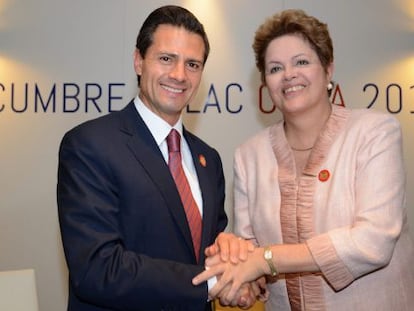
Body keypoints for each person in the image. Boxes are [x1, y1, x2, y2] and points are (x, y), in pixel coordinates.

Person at [193, 8, 414, 310]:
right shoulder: (249, 155)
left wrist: (266, 260)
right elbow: (250, 253)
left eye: (301, 62)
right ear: (266, 83)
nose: (289, 75)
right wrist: (241, 285)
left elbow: (373, 242)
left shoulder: (374, 132)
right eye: (275, 68)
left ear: (328, 69)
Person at [57, 5, 254, 311]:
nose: (179, 75)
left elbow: (208, 247)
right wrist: (214, 283)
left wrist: (237, 267)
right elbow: (97, 268)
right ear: (139, 60)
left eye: (192, 64)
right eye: (166, 59)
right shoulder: (90, 145)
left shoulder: (208, 159)